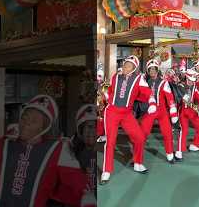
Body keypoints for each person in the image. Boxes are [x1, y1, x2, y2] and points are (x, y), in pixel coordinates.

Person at [0, 94, 95, 206]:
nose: (26, 123)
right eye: (24, 117)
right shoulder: (2, 144)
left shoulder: (57, 150)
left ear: (44, 128)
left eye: (33, 121)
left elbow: (77, 186)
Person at [101, 55, 157, 183]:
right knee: (110, 142)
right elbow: (109, 89)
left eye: (129, 65)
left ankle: (138, 163)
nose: (126, 66)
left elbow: (148, 93)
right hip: (112, 112)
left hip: (127, 114)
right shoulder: (116, 76)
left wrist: (152, 103)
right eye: (125, 64)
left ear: (134, 68)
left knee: (140, 138)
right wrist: (106, 96)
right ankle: (107, 170)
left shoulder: (139, 79)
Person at [140, 59, 178, 163]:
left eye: (154, 69)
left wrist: (173, 111)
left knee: (167, 133)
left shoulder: (163, 82)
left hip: (161, 111)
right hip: (149, 110)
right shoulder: (144, 82)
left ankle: (170, 154)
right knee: (142, 133)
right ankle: (137, 158)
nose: (152, 71)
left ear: (157, 70)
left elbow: (170, 97)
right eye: (150, 69)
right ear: (148, 70)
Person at [175, 69, 199, 161]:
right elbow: (186, 100)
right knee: (183, 131)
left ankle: (196, 144)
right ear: (186, 78)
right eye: (189, 80)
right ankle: (179, 151)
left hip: (191, 111)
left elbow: (198, 96)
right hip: (183, 111)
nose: (191, 82)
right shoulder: (180, 86)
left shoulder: (194, 86)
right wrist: (197, 109)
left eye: (193, 80)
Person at [71, 104, 97, 198]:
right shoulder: (71, 155)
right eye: (89, 127)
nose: (93, 131)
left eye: (96, 127)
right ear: (81, 131)